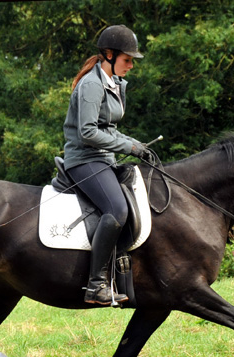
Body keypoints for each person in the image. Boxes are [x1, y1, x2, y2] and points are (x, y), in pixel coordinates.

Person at [63, 25, 151, 306]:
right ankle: (96, 285)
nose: (131, 66)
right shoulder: (92, 84)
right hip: (84, 160)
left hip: (103, 159)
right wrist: (130, 147)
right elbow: (88, 133)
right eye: (127, 60)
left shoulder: (114, 84)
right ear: (109, 55)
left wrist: (137, 145)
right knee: (117, 209)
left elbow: (109, 130)